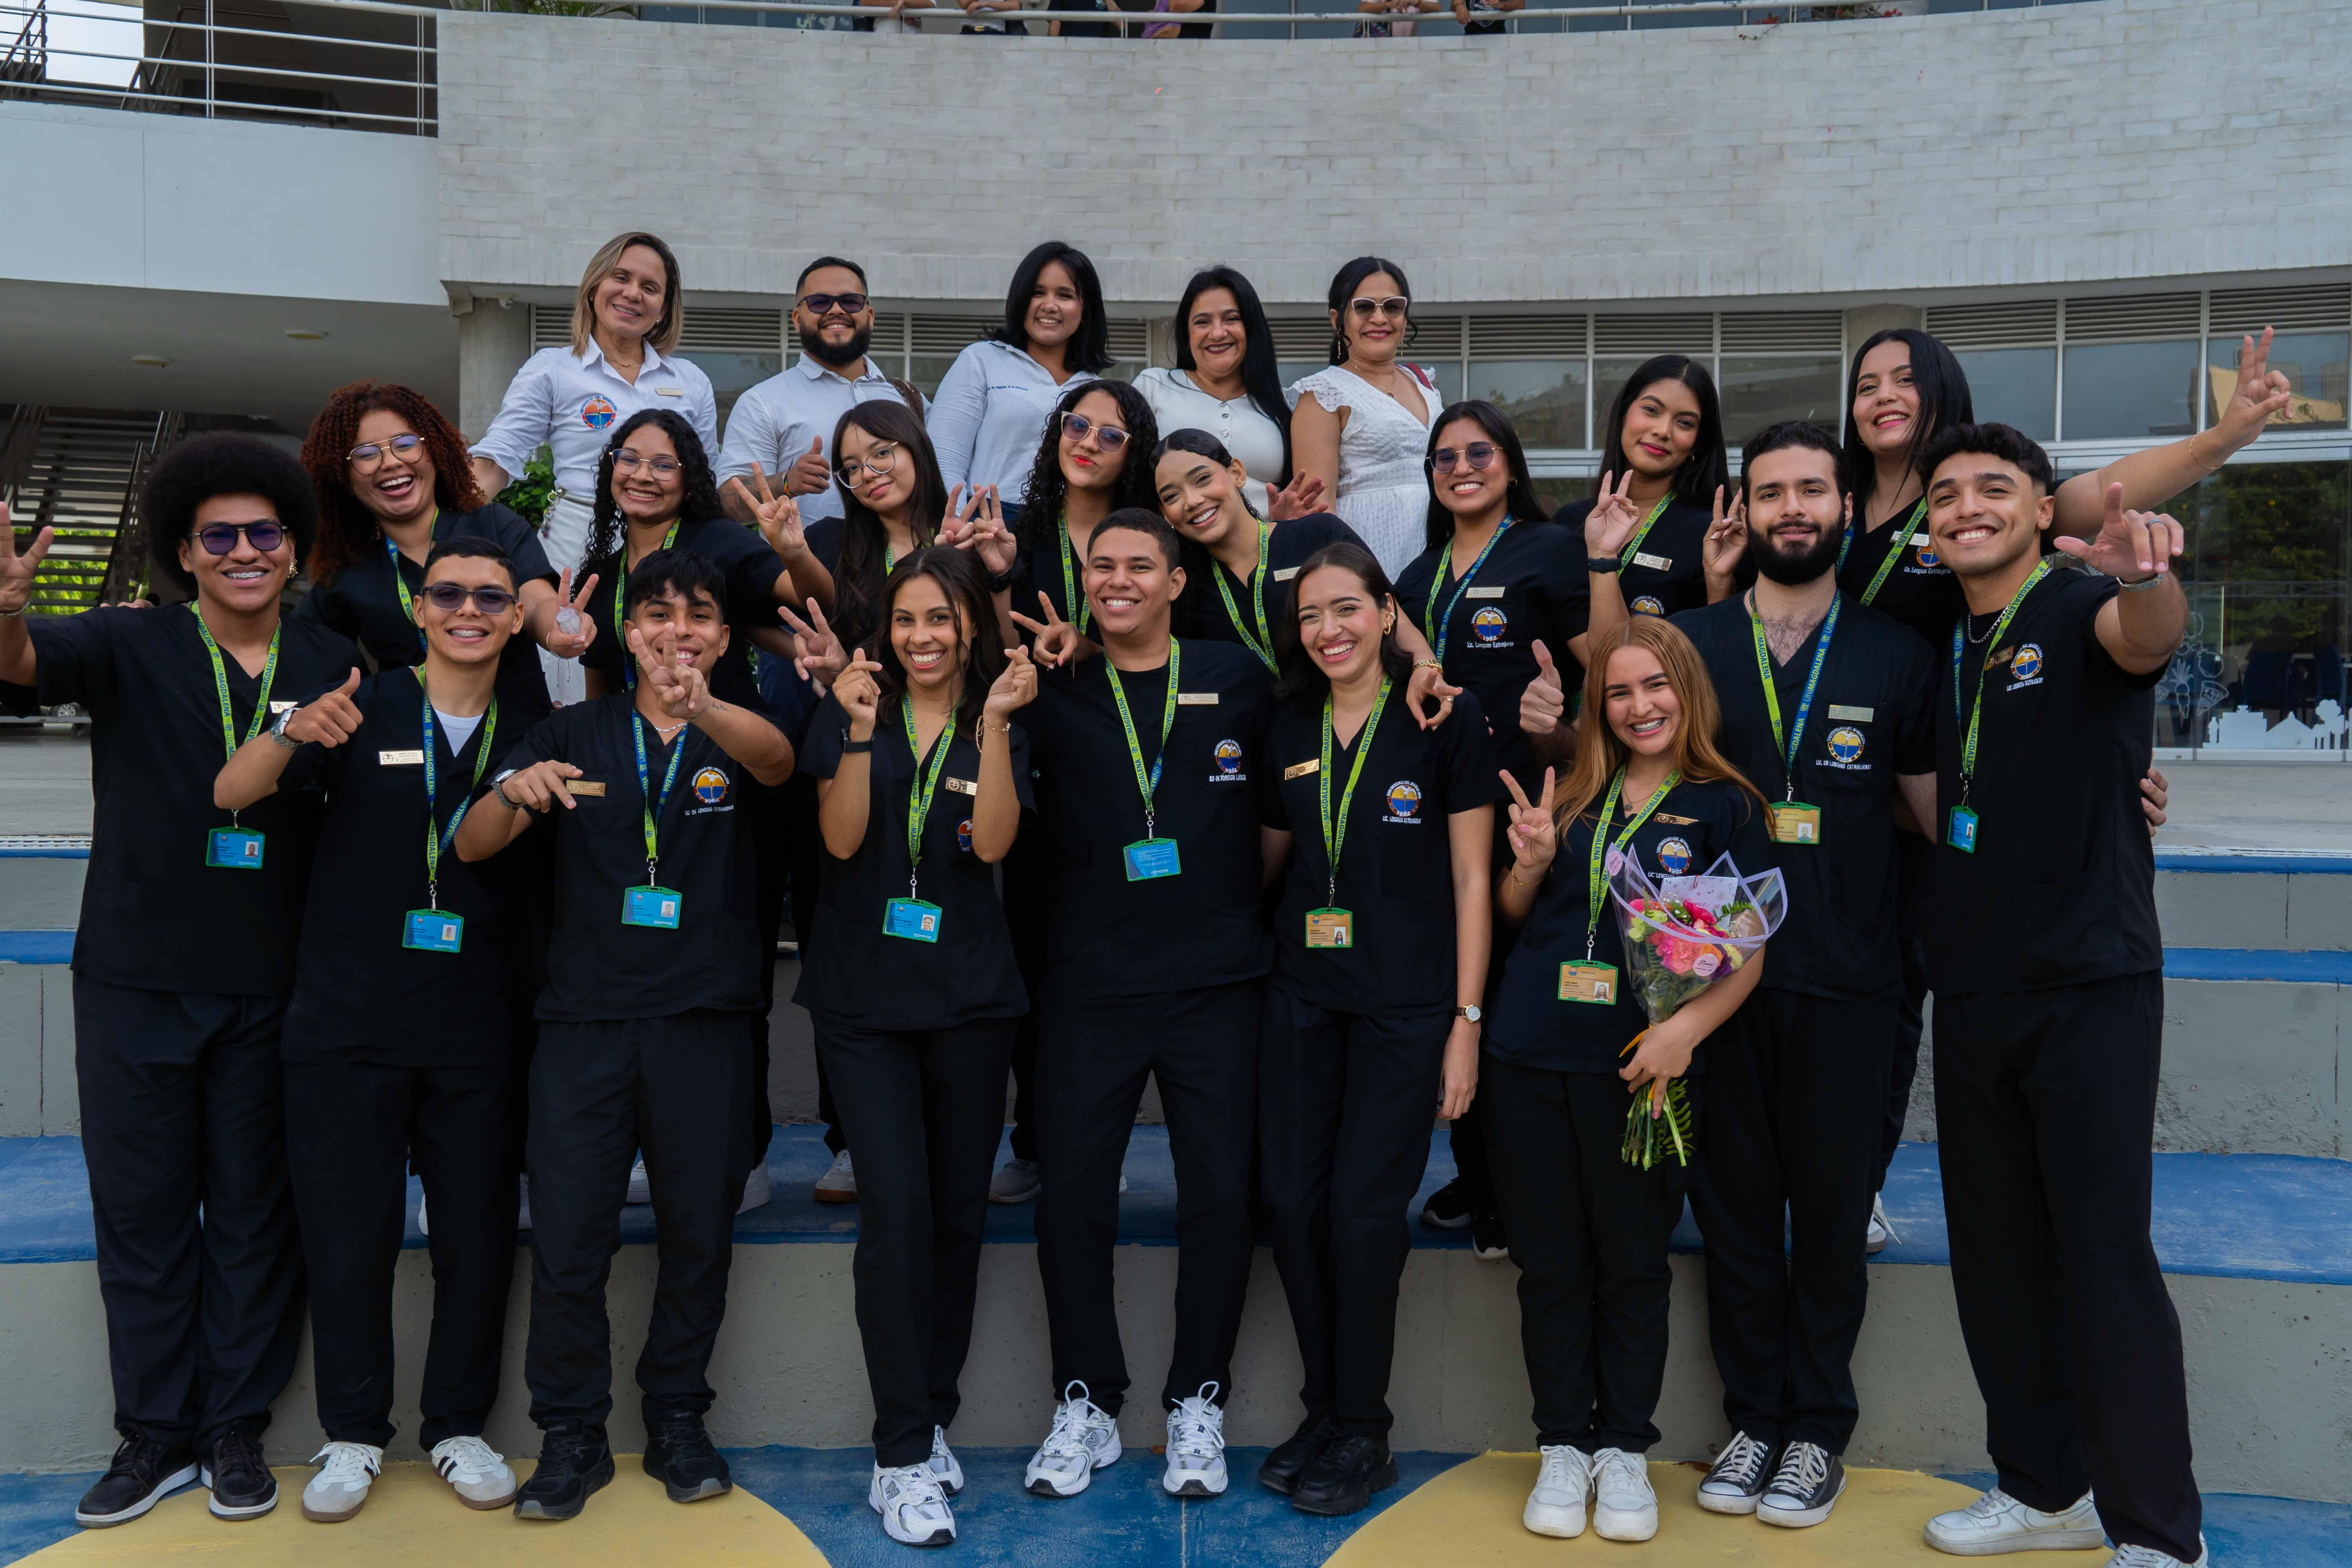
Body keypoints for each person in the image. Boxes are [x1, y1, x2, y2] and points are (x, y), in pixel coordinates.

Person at [1838, 327, 2288, 1250]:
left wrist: (2223, 436)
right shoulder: (1832, 500)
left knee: (1902, 996)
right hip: (1849, 779)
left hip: (1959, 780)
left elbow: (2111, 505)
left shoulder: (1979, 494)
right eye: (1864, 383)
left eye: (1903, 380)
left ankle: (1863, 1181)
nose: (1882, 396)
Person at [0, 437, 360, 1530]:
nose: (245, 551)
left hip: (272, 984)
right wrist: (6, 607)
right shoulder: (124, 640)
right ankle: (152, 1432)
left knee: (255, 1215)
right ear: (184, 553)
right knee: (146, 1213)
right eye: (220, 537)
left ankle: (229, 1431)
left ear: (293, 550)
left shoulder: (333, 657)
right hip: (136, 980)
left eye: (264, 534)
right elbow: (18, 666)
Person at [1586, 422, 1935, 1529]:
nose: (1794, 508)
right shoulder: (1690, 643)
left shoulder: (1894, 652)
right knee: (1734, 1219)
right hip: (1709, 995)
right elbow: (1616, 751)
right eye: (1773, 491)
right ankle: (1752, 1421)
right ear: (1743, 509)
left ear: (1843, 508)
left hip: (1851, 983)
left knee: (1829, 1221)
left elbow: (1934, 813)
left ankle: (1815, 1430)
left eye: (1812, 491)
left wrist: (2107, 792)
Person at [1910, 425, 2205, 1568]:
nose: (1964, 506)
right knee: (1995, 1255)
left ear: (2042, 510)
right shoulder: (1944, 635)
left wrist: (2147, 574)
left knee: (2099, 1255)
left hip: (2087, 982)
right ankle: (2042, 1488)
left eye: (1993, 487)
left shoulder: (2076, 600)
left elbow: (2142, 638)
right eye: (1945, 494)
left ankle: (2153, 1529)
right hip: (1973, 984)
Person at [453, 550, 794, 1522]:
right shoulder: (569, 728)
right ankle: (571, 1430)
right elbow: (474, 845)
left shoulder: (740, 732)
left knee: (698, 1236)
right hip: (585, 1028)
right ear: (624, 632)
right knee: (569, 1240)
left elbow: (775, 762)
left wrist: (702, 707)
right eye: (655, 616)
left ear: (724, 637)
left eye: (697, 617)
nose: (675, 632)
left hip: (707, 1024)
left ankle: (679, 1412)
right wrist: (510, 796)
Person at [216, 537, 539, 1524]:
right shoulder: (360, 704)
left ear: (515, 618)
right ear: (422, 608)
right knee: (349, 1238)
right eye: (449, 593)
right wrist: (290, 733)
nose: (469, 609)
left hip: (479, 1023)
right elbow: (233, 794)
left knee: (476, 1238)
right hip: (347, 1019)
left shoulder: (541, 723)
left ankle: (455, 1424)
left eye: (491, 595)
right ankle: (354, 1432)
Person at [1485, 615, 1771, 1548]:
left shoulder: (1721, 803)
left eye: (1655, 686)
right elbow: (1520, 913)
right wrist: (1525, 865)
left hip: (1637, 1067)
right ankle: (1564, 1441)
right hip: (1530, 1055)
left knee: (1632, 1263)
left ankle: (1624, 1449)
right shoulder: (1573, 793)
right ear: (1597, 707)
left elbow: (1744, 955)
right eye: (1619, 691)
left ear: (1686, 692)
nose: (1639, 705)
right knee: (1552, 1263)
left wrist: (1684, 1030)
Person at [1017, 509, 1275, 1503]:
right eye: (1101, 566)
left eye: (1139, 566)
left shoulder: (1238, 676)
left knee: (1218, 1195)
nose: (1117, 579)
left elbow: (1282, 807)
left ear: (1176, 581)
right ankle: (1085, 1400)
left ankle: (1195, 1402)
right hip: (1089, 982)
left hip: (1218, 981)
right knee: (1074, 1194)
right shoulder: (1052, 683)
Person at [796, 550, 1038, 1548]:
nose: (922, 636)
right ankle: (898, 1453)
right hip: (863, 1004)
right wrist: (856, 729)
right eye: (905, 620)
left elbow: (991, 842)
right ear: (885, 630)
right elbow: (845, 842)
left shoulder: (1002, 721)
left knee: (953, 1221)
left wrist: (989, 729)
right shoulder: (850, 711)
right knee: (894, 1214)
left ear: (970, 627)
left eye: (940, 618)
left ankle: (929, 1417)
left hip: (971, 1001)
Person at [1254, 542, 1500, 1515]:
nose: (1329, 630)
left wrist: (1465, 1022)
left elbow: (1474, 879)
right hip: (1302, 997)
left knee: (1362, 1215)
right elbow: (1269, 859)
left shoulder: (1444, 714)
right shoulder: (1286, 720)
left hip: (1405, 1008)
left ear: (1387, 611)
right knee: (1293, 1204)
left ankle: (1368, 1426)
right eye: (1311, 615)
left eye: (1348, 608)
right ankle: (1327, 1407)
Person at [576, 409, 817, 1211]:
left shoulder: (720, 544)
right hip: (647, 790)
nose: (643, 474)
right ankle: (666, 1142)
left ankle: (742, 1154)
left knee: (732, 960)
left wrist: (792, 549)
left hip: (735, 770)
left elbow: (806, 607)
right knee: (659, 960)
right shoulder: (608, 569)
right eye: (628, 458)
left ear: (691, 474)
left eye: (665, 462)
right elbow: (604, 681)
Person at [778, 401, 996, 1204]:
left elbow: (999, 643)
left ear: (917, 448)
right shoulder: (844, 545)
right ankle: (850, 1138)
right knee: (846, 937)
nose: (871, 471)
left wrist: (992, 571)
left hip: (966, 755)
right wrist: (796, 550)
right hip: (863, 746)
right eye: (851, 465)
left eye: (883, 451)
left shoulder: (971, 528)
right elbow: (814, 610)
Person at [1391, 402, 1586, 1260]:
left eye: (1480, 452)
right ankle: (1479, 1177)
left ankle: (1521, 1188)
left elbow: (1608, 664)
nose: (1461, 466)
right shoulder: (1418, 572)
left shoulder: (1547, 551)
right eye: (1445, 456)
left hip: (1524, 805)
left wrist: (1565, 729)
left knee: (1508, 1002)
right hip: (1437, 814)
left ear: (1510, 465)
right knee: (1452, 994)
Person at [469, 232, 717, 705]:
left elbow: (708, 482)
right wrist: (434, 517)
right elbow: (499, 456)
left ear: (664, 307)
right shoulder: (554, 369)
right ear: (593, 287)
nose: (632, 293)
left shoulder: (691, 381)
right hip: (576, 541)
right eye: (620, 277)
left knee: (667, 674)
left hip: (672, 542)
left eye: (650, 287)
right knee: (569, 670)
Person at [297, 380, 589, 727]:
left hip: (516, 745)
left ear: (434, 450)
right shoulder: (347, 567)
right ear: (343, 477)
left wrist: (556, 631)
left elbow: (536, 601)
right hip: (406, 751)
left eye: (405, 445)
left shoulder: (492, 524)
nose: (390, 463)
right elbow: (304, 649)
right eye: (366, 455)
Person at [719, 257, 918, 532]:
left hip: (905, 566)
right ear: (798, 320)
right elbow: (728, 501)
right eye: (819, 302)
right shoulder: (763, 402)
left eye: (850, 301)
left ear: (869, 317)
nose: (836, 310)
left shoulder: (907, 397)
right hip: (806, 570)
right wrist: (786, 483)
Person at [1564, 355, 1731, 665]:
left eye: (1685, 423)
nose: (1663, 430)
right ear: (1624, 413)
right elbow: (1602, 663)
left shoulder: (1712, 535)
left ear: (1697, 443)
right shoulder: (1568, 526)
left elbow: (1720, 655)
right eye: (1651, 411)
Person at [928, 241, 1110, 520]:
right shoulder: (982, 360)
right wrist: (956, 523)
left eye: (1065, 295)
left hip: (1065, 527)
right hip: (986, 521)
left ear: (1086, 310)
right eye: (1038, 293)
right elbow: (945, 456)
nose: (1049, 305)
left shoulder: (1095, 389)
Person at [1290, 256, 1443, 579]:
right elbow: (1318, 514)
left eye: (1392, 307)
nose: (1379, 318)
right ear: (1337, 319)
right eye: (1363, 307)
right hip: (1369, 558)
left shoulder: (1424, 383)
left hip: (1441, 548)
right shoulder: (1323, 393)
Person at [1155, 429, 1357, 667]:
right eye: (1172, 496)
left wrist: (1416, 662)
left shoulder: (1318, 534)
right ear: (1164, 513)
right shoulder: (1183, 590)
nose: (1192, 501)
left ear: (1237, 473)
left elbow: (1387, 610)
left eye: (1202, 480)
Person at [1135, 268, 1314, 518]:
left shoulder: (1285, 405)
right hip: (1174, 550)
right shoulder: (1153, 387)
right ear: (1187, 336)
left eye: (1231, 319)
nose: (1218, 333)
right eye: (1202, 322)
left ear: (1251, 330)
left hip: (1267, 549)